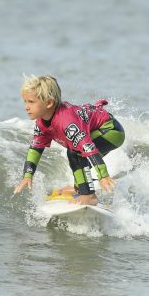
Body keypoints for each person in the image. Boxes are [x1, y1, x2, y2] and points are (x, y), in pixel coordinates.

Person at [13, 75, 125, 205]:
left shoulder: (66, 121)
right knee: (76, 152)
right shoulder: (41, 122)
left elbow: (88, 148)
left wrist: (103, 176)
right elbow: (36, 149)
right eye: (25, 101)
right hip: (97, 131)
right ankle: (80, 189)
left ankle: (88, 196)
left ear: (49, 103)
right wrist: (28, 175)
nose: (26, 107)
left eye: (31, 102)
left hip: (112, 131)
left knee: (75, 152)